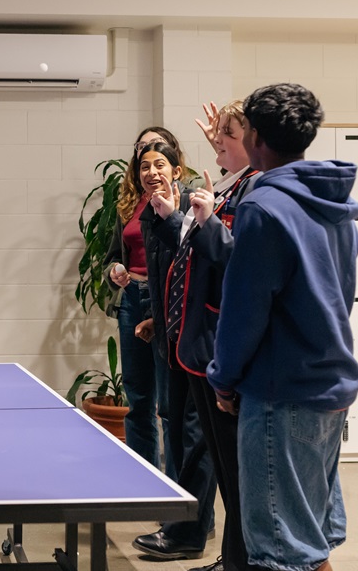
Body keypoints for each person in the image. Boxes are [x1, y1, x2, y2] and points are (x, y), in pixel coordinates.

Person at [208, 83, 358, 571]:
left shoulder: (263, 208)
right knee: (306, 542)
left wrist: (224, 377)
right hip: (328, 385)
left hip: (280, 391)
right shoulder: (337, 206)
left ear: (255, 138)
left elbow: (244, 308)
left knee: (282, 550)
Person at [143, 101, 260, 571]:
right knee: (228, 474)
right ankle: (232, 558)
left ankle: (239, 561)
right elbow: (198, 254)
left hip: (219, 349)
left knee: (236, 476)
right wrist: (176, 219)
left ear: (253, 141)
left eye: (225, 134)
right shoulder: (230, 185)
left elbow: (238, 262)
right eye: (214, 135)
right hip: (196, 347)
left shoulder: (256, 189)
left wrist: (206, 220)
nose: (215, 140)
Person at [128, 141, 217, 564]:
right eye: (144, 167)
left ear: (177, 171)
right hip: (170, 340)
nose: (151, 172)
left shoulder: (194, 211)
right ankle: (186, 520)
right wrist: (154, 320)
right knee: (177, 433)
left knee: (195, 437)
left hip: (198, 343)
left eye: (159, 165)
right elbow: (160, 280)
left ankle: (190, 530)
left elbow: (203, 265)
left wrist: (178, 217)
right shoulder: (150, 216)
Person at [104, 126, 194, 477]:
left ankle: (176, 489)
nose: (151, 170)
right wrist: (116, 270)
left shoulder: (186, 201)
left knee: (171, 404)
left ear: (174, 163)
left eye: (159, 158)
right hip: (132, 299)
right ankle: (144, 481)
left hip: (169, 306)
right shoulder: (128, 203)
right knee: (138, 399)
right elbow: (114, 255)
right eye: (143, 158)